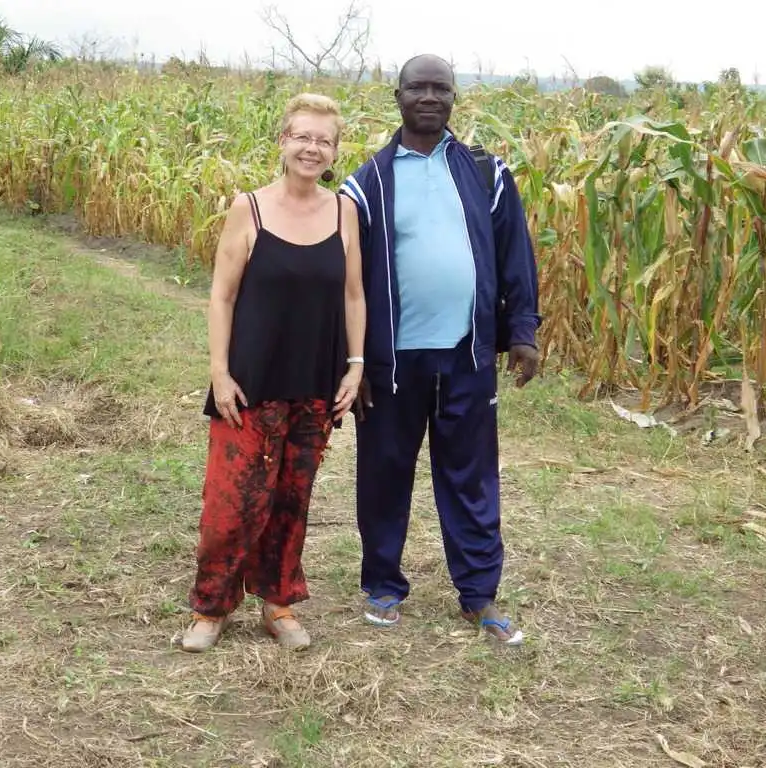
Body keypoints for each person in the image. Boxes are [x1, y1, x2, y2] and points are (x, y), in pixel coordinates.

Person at [339, 54, 541, 645]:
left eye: (441, 88)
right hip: (391, 363)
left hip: (467, 356)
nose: (429, 97)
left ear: (455, 97)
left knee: (472, 476)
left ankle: (478, 594)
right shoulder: (367, 182)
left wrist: (522, 332)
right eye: (417, 88)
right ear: (396, 95)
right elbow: (347, 281)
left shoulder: (487, 174)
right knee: (384, 472)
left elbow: (514, 260)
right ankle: (382, 583)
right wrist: (354, 363)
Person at [181, 93, 367, 653]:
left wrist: (355, 367)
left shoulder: (343, 211)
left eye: (324, 140)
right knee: (231, 503)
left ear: (335, 151)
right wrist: (219, 371)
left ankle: (278, 603)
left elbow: (354, 295)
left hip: (315, 382)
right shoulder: (250, 208)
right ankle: (211, 608)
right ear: (283, 141)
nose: (312, 148)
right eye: (302, 136)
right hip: (251, 381)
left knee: (291, 499)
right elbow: (222, 295)